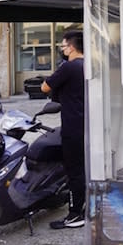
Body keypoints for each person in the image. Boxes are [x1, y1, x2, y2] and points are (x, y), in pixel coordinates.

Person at [41, 30, 86, 229]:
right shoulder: (88, 65)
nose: (62, 49)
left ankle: (76, 214)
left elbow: (45, 87)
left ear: (72, 47)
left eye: (63, 46)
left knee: (74, 171)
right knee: (84, 169)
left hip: (72, 126)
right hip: (87, 124)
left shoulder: (68, 67)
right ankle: (84, 208)